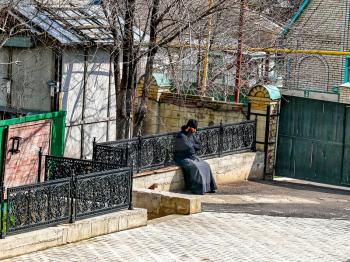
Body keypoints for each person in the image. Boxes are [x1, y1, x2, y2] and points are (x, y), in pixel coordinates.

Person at [173, 119, 217, 195]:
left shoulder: (192, 134)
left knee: (205, 165)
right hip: (181, 158)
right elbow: (190, 149)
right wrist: (193, 147)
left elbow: (199, 145)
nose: (195, 130)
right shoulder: (181, 135)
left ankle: (209, 187)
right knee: (195, 167)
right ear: (189, 127)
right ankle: (197, 189)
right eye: (194, 128)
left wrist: (193, 146)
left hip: (191, 156)